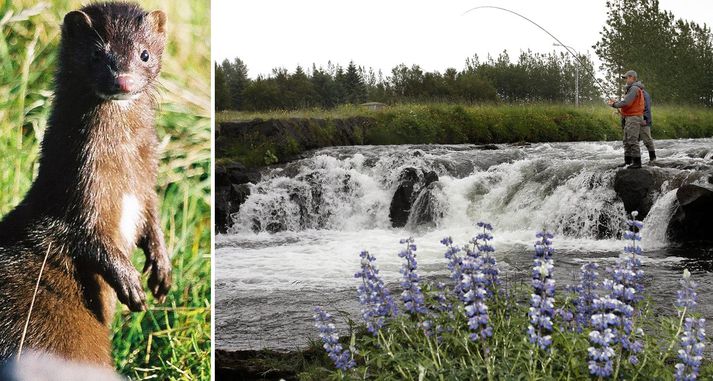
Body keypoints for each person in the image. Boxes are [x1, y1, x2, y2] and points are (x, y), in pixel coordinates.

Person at [608, 70, 645, 169]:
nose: (626, 80)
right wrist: (617, 103)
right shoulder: (631, 89)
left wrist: (614, 104)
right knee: (626, 140)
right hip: (629, 117)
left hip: (633, 117)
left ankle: (637, 163)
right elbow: (626, 103)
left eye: (627, 77)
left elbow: (626, 103)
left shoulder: (634, 89)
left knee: (632, 139)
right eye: (625, 78)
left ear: (633, 77)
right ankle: (628, 161)